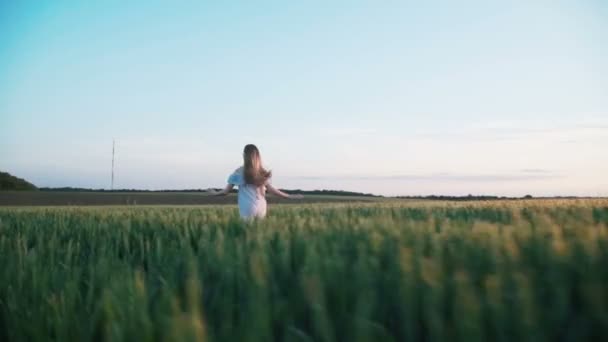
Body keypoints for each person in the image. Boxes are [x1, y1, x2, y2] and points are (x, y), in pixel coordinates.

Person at [207, 144, 303, 219]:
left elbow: (225, 192)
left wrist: (213, 193)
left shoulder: (239, 172)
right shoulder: (261, 172)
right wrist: (289, 196)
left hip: (247, 207)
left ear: (244, 155)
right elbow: (271, 190)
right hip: (261, 206)